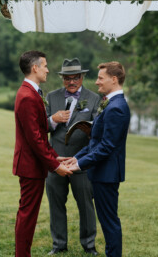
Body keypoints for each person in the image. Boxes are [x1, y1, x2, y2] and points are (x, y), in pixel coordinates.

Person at [65, 61, 130, 257]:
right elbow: (96, 141)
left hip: (107, 174)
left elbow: (107, 146)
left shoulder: (117, 107)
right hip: (101, 173)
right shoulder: (110, 103)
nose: (96, 82)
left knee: (109, 222)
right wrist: (75, 158)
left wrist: (79, 164)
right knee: (107, 220)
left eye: (101, 78)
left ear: (114, 79)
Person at [13, 51, 72, 257]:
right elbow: (35, 140)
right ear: (35, 68)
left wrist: (54, 157)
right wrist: (55, 166)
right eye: (45, 65)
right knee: (27, 215)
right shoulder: (28, 96)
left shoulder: (32, 93)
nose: (48, 69)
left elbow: (37, 132)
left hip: (33, 164)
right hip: (30, 166)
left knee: (28, 214)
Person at [46, 58, 100, 255]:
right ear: (62, 79)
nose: (71, 82)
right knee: (56, 204)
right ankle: (59, 245)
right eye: (67, 78)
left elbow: (99, 129)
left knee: (86, 205)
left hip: (81, 162)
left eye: (75, 78)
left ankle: (89, 245)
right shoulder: (51, 97)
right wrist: (53, 119)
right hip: (56, 162)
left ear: (82, 77)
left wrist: (90, 130)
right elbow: (39, 127)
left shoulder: (94, 98)